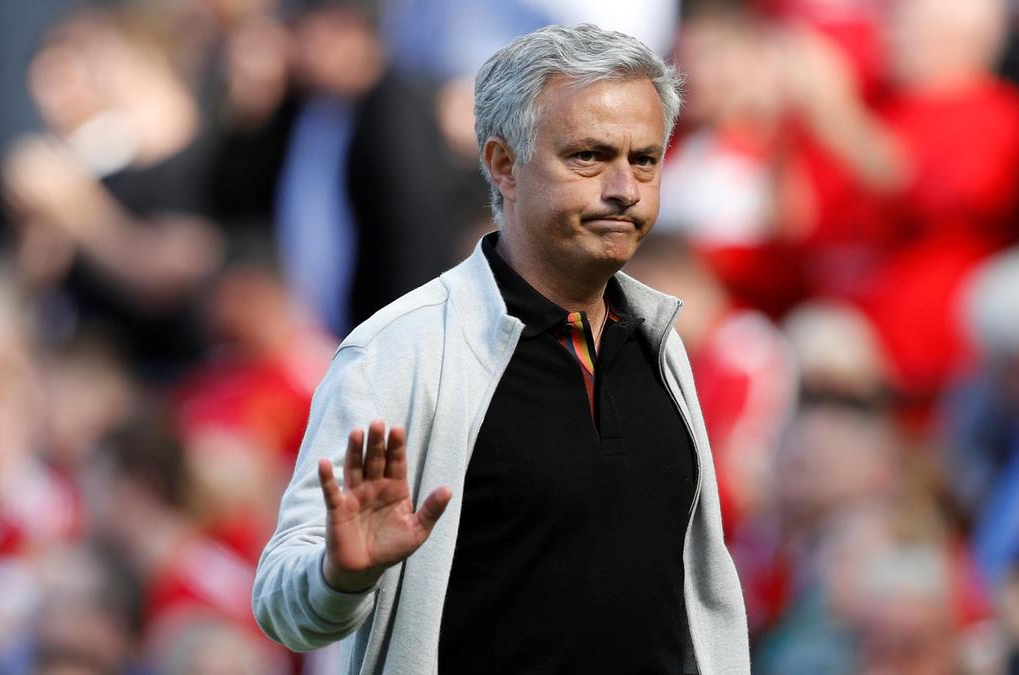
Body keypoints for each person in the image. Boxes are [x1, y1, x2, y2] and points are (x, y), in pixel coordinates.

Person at [252, 23, 750, 674]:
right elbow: (282, 601)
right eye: (589, 156)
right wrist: (338, 576)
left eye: (645, 160)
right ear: (503, 165)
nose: (625, 188)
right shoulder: (402, 349)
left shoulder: (661, 342)